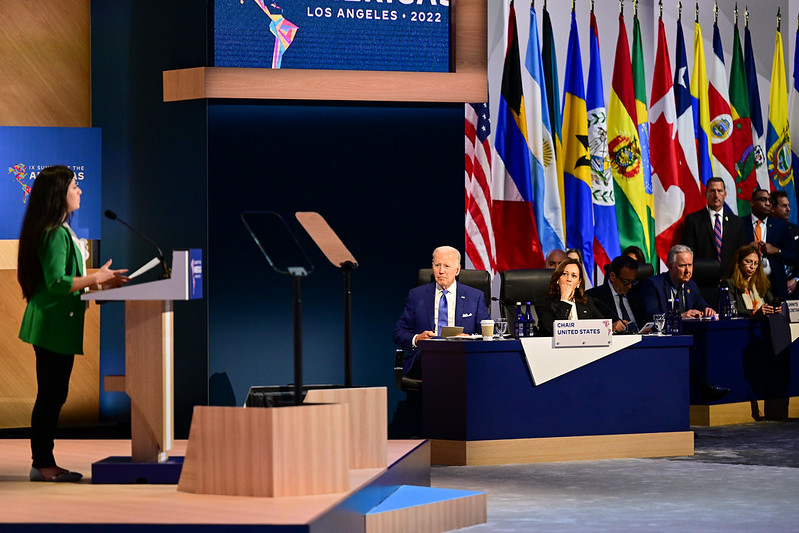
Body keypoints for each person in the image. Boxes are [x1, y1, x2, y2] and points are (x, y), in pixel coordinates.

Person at [17, 165, 128, 482]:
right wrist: (95, 278)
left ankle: (43, 461)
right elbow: (56, 282)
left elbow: (67, 281)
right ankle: (43, 463)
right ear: (58, 194)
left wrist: (99, 282)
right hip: (52, 326)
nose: (80, 191)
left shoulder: (58, 229)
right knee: (51, 397)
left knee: (54, 395)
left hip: (55, 326)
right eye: (74, 186)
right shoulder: (55, 232)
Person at [393, 246, 490, 378]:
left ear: (457, 270)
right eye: (437, 265)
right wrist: (417, 339)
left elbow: (488, 334)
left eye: (446, 266)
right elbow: (399, 332)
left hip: (462, 356)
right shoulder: (417, 295)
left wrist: (469, 339)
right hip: (425, 358)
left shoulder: (475, 297)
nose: (441, 271)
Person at [681, 177, 747, 277]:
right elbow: (689, 252)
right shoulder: (693, 220)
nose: (716, 195)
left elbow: (741, 253)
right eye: (712, 191)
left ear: (725, 194)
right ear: (706, 193)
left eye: (720, 191)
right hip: (702, 278)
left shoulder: (737, 222)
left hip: (730, 278)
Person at [742, 188, 797, 299]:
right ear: (751, 202)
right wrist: (747, 248)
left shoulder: (780, 226)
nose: (767, 203)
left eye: (769, 200)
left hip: (775, 285)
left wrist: (777, 250)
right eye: (763, 199)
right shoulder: (740, 223)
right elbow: (733, 252)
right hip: (747, 282)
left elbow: (793, 256)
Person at [639, 244, 716, 322]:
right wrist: (680, 316)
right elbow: (651, 315)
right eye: (683, 266)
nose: (687, 270)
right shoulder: (654, 285)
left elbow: (703, 305)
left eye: (690, 265)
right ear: (670, 266)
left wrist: (708, 310)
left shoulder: (691, 285)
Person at [534, 258, 604, 337]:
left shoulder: (586, 301)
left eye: (574, 276)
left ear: (578, 282)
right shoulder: (544, 302)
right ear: (558, 279)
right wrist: (564, 301)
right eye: (565, 274)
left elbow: (603, 326)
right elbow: (554, 331)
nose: (569, 279)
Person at [587, 255, 642, 332]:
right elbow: (588, 328)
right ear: (613, 276)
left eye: (633, 282)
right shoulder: (593, 297)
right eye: (626, 282)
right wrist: (610, 327)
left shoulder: (636, 296)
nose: (629, 286)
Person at [720, 245, 780, 316]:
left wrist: (776, 309)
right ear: (739, 262)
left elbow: (771, 303)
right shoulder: (729, 284)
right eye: (748, 262)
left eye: (756, 263)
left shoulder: (761, 283)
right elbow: (731, 311)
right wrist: (754, 313)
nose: (752, 267)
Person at [769, 190, 799, 295]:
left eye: (788, 205)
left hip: (795, 289)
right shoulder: (764, 230)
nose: (788, 209)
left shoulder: (796, 230)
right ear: (772, 208)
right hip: (771, 288)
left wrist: (796, 279)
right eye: (784, 206)